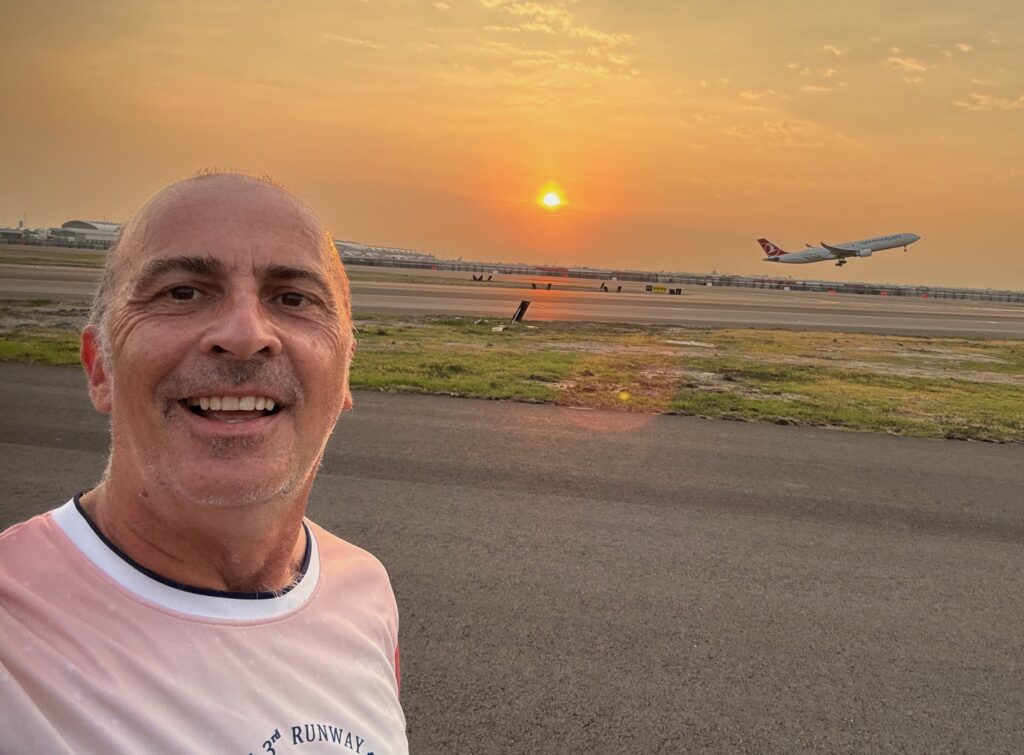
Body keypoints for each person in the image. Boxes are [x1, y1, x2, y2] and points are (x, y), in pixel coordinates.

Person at [0, 173, 408, 753]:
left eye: (293, 298)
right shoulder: (14, 629)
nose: (245, 334)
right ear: (100, 368)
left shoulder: (365, 591)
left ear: (345, 371)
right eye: (182, 292)